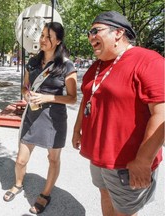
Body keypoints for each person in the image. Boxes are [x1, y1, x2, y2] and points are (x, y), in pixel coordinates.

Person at [72, 11, 164, 216]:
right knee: (105, 195)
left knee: (125, 211)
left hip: (127, 161)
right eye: (89, 32)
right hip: (98, 157)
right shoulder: (96, 67)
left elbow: (162, 113)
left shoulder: (148, 60)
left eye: (95, 31)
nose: (90, 37)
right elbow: (88, 98)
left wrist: (143, 161)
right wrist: (77, 129)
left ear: (119, 32)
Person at [3, 22, 77, 214]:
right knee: (20, 160)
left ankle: (45, 194)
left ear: (58, 41)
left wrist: (48, 97)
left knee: (53, 159)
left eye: (48, 37)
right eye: (42, 35)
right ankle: (18, 184)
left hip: (54, 119)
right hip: (32, 115)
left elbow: (72, 98)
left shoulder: (67, 66)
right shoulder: (33, 62)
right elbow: (24, 87)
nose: (42, 40)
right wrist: (27, 95)